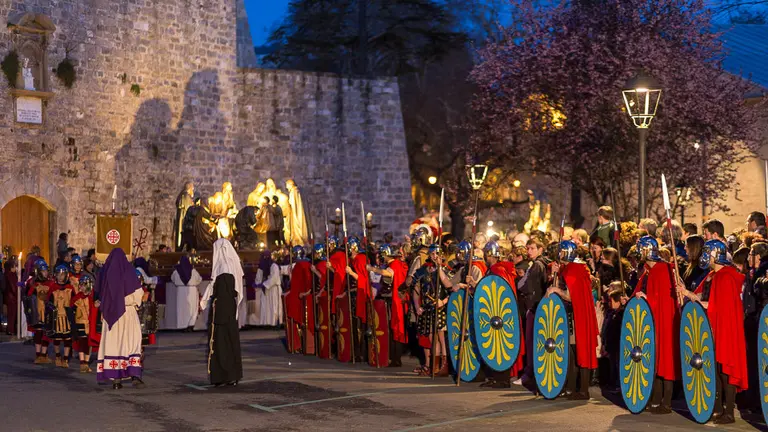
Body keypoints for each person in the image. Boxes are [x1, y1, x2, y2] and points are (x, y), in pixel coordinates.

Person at [681, 239, 748, 424]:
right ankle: (718, 408)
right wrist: (686, 294)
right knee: (716, 370)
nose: (705, 256)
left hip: (726, 329)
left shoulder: (726, 276)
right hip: (714, 327)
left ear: (716, 254)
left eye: (708, 252)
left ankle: (729, 412)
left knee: (726, 370)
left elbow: (721, 308)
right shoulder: (713, 275)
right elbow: (706, 300)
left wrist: (695, 300)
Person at [631, 236, 681, 414]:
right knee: (656, 358)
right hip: (654, 321)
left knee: (666, 359)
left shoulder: (662, 270)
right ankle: (655, 398)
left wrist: (647, 299)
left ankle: (666, 402)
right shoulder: (650, 271)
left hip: (665, 322)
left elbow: (664, 301)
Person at [548, 240, 599, 400]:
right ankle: (572, 387)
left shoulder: (573, 270)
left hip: (577, 315)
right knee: (572, 350)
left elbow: (570, 296)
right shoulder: (573, 268)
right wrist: (555, 275)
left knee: (578, 351)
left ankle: (582, 389)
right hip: (573, 315)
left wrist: (556, 289)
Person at [96, 248, 145, 390]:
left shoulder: (105, 273)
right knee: (131, 343)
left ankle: (116, 380)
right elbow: (138, 294)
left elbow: (98, 292)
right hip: (128, 313)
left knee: (114, 344)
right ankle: (134, 374)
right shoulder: (128, 272)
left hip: (111, 315)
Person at [199, 239, 244, 387]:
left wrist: (206, 303)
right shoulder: (230, 264)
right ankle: (229, 375)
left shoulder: (223, 266)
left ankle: (224, 375)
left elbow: (217, 288)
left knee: (221, 341)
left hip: (222, 310)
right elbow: (214, 286)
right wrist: (204, 301)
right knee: (229, 340)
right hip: (228, 307)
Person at [411, 244, 449, 377]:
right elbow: (415, 291)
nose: (435, 257)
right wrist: (417, 307)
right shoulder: (422, 271)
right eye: (433, 254)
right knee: (432, 338)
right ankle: (434, 366)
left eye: (437, 254)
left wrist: (443, 301)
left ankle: (444, 365)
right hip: (427, 309)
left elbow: (450, 289)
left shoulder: (446, 270)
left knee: (441, 337)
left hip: (441, 308)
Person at [367, 244, 408, 367]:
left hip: (395, 301)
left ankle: (396, 358)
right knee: (393, 328)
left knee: (395, 328)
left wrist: (372, 269)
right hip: (394, 300)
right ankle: (393, 357)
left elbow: (388, 274)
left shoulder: (394, 264)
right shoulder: (396, 264)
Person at [345, 237, 370, 363]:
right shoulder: (352, 260)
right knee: (354, 326)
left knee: (360, 327)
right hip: (353, 296)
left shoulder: (361, 259)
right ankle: (356, 353)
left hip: (360, 296)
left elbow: (364, 280)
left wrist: (351, 273)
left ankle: (362, 354)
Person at [49, 264, 75, 368]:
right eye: (58, 275)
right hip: (56, 316)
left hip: (66, 317)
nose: (60, 277)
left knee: (67, 338)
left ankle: (65, 358)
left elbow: (73, 301)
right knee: (57, 338)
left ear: (66, 276)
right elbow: (49, 302)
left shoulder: (70, 288)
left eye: (62, 275)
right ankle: (58, 356)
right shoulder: (53, 288)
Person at [25, 259, 51, 364]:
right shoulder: (32, 283)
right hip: (38, 311)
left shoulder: (50, 282)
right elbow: (29, 296)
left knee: (47, 332)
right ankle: (38, 354)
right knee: (39, 332)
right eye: (43, 271)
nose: (46, 273)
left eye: (46, 271)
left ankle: (44, 355)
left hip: (47, 311)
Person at [170, 255, 202, 332]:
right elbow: (199, 279)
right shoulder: (193, 271)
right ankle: (191, 325)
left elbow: (173, 279)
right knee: (192, 308)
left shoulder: (176, 271)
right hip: (192, 290)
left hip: (181, 291)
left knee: (182, 309)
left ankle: (182, 326)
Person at [72, 274, 95, 373]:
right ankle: (82, 363)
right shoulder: (77, 297)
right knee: (82, 342)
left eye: (83, 285)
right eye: (80, 285)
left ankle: (86, 361)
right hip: (80, 322)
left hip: (90, 323)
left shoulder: (92, 297)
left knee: (89, 343)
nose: (81, 287)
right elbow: (71, 308)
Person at [256, 249, 283, 327]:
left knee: (274, 306)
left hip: (274, 289)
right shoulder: (263, 266)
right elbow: (260, 276)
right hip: (267, 289)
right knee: (267, 307)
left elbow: (274, 278)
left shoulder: (274, 266)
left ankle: (275, 323)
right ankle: (268, 323)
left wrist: (264, 284)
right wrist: (258, 284)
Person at [174, 182, 196, 251]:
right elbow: (188, 209)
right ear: (189, 188)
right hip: (184, 218)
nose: (193, 190)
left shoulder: (183, 195)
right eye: (192, 188)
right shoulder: (186, 196)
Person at [286, 179, 309, 246]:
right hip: (297, 212)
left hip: (295, 214)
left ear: (291, 185)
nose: (286, 187)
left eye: (287, 185)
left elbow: (292, 204)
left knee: (296, 229)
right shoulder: (297, 191)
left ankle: (298, 242)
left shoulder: (293, 192)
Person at [4, 258, 18, 335]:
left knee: (11, 314)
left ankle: (10, 329)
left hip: (10, 297)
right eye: (15, 266)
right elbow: (13, 287)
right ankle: (11, 330)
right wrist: (17, 293)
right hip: (12, 298)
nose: (16, 268)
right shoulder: (10, 275)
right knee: (12, 314)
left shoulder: (8, 274)